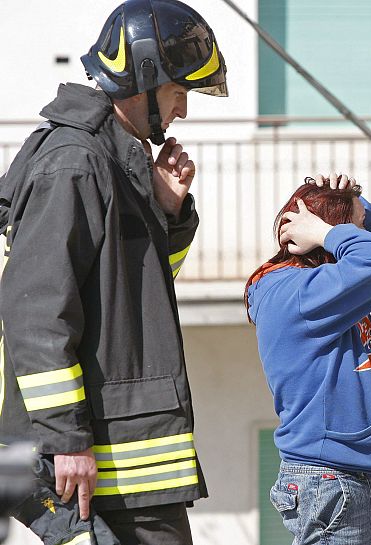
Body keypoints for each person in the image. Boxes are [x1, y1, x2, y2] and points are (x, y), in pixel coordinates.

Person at [0, 1, 228, 543]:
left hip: (129, 471)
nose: (184, 110)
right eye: (180, 91)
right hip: (98, 467)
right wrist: (66, 441)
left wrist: (167, 216)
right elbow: (36, 315)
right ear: (144, 77)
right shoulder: (75, 163)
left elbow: (134, 298)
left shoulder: (111, 161)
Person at [245, 174, 371, 545]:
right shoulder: (296, 292)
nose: (362, 231)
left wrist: (356, 201)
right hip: (331, 478)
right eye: (355, 224)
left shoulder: (328, 283)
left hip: (359, 471)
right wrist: (326, 231)